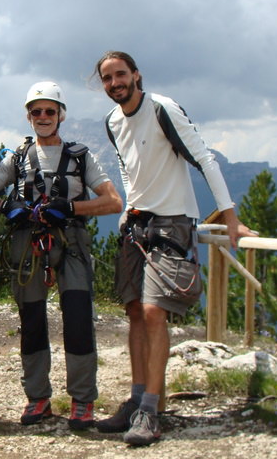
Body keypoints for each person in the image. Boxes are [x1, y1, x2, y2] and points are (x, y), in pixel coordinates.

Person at [94, 50, 254, 446]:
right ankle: (135, 401)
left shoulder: (163, 108)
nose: (115, 83)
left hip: (173, 223)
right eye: (107, 78)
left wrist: (229, 216)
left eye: (121, 75)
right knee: (133, 310)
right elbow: (127, 167)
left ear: (136, 75)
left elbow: (204, 158)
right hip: (138, 223)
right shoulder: (113, 121)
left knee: (152, 312)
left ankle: (151, 409)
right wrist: (130, 204)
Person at [0, 81, 122, 429]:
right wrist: (6, 206)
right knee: (32, 321)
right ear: (28, 116)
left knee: (79, 320)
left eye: (50, 110)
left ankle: (83, 401)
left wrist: (70, 207)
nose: (43, 116)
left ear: (61, 115)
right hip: (28, 246)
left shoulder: (81, 157)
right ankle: (38, 399)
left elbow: (113, 202)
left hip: (71, 243)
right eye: (36, 111)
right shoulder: (17, 158)